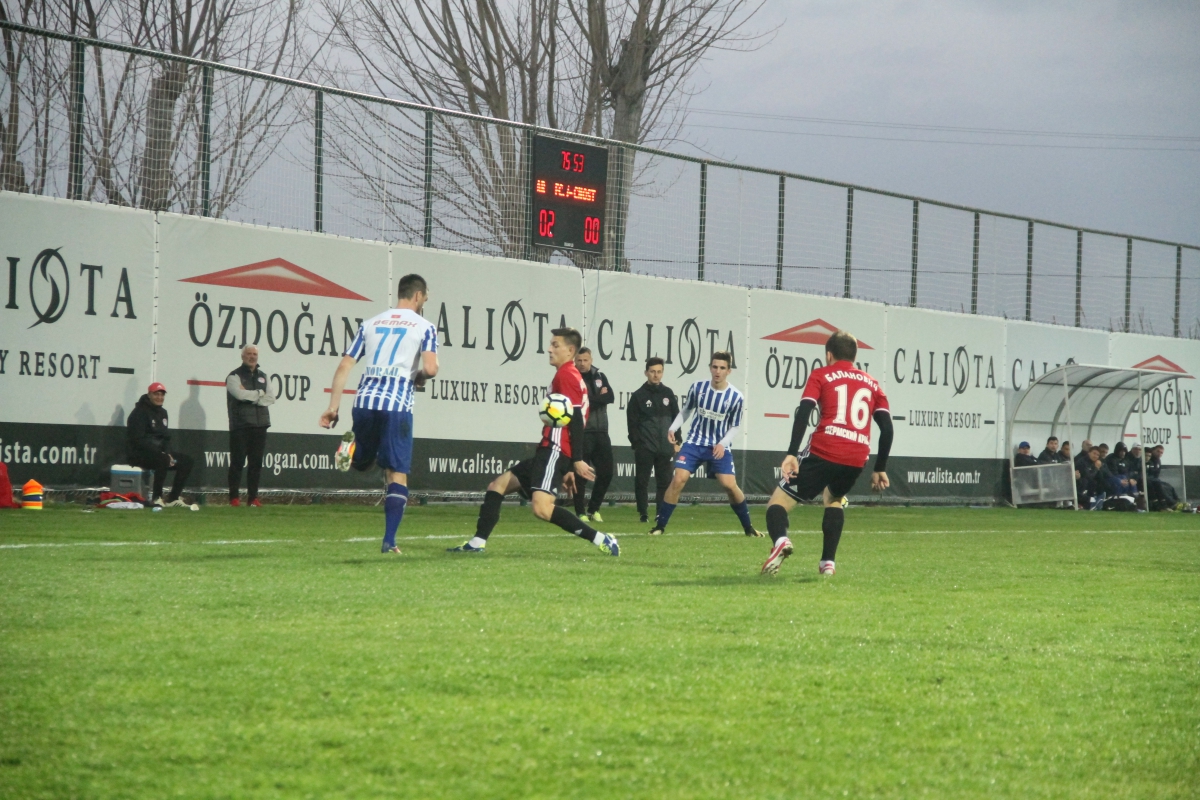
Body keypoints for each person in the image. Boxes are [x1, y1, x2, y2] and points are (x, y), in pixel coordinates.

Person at [449, 328, 620, 557]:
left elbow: (577, 419)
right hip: (551, 449)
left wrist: (576, 460)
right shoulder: (568, 375)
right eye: (550, 344)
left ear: (570, 350)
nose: (549, 349)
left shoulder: (566, 375)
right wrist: (570, 464)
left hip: (555, 450)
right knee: (497, 486)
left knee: (542, 508)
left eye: (555, 345)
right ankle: (477, 542)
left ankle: (601, 539)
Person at [320, 274, 439, 554]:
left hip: (365, 401)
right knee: (396, 473)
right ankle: (389, 541)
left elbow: (344, 366)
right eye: (425, 297)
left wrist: (333, 407)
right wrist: (419, 376)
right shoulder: (425, 327)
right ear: (418, 295)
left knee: (362, 463)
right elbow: (431, 369)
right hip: (397, 406)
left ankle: (350, 449)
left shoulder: (370, 323)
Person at [760, 331, 892, 577]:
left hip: (824, 450)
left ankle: (781, 541)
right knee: (833, 499)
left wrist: (791, 453)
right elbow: (887, 428)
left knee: (777, 503)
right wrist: (880, 467)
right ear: (854, 356)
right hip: (856, 458)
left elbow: (804, 411)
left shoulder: (821, 374)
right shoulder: (873, 384)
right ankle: (827, 563)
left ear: (829, 355)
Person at [650, 351, 760, 538]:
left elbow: (735, 426)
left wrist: (722, 444)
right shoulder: (698, 387)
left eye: (722, 368)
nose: (718, 371)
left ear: (729, 371)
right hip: (695, 442)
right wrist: (673, 427)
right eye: (715, 367)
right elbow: (686, 410)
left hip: (718, 446)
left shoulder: (736, 396)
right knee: (678, 479)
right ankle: (660, 526)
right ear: (710, 368)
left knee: (729, 485)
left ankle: (748, 528)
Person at [627, 357, 680, 523]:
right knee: (642, 481)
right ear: (646, 373)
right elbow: (632, 423)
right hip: (645, 447)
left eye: (659, 372)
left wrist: (677, 441)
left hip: (665, 446)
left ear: (662, 373)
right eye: (652, 372)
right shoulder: (638, 396)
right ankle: (643, 513)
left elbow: (676, 418)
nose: (656, 375)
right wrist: (637, 443)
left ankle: (660, 513)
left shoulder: (668, 393)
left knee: (664, 482)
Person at [126, 382, 195, 508]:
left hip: (159, 454)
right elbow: (138, 440)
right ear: (149, 395)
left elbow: (165, 438)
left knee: (186, 461)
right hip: (139, 455)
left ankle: (173, 498)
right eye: (156, 394)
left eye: (162, 395)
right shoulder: (139, 413)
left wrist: (168, 453)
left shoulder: (163, 413)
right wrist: (162, 453)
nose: (159, 397)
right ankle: (157, 498)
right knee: (162, 459)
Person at [226, 344, 275, 507]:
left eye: (254, 354)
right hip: (240, 425)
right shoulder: (234, 376)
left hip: (260, 425)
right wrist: (259, 394)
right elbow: (239, 395)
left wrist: (251, 396)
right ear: (242, 356)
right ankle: (234, 498)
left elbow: (271, 398)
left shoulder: (263, 376)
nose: (252, 357)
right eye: (249, 354)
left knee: (256, 464)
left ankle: (253, 498)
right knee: (237, 462)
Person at [571, 347, 615, 523]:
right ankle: (580, 512)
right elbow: (578, 403)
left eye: (585, 360)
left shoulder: (600, 376)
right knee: (581, 474)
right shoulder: (573, 378)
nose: (582, 363)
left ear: (591, 360)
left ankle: (594, 508)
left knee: (607, 472)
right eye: (579, 360)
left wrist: (589, 399)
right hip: (582, 432)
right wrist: (598, 398)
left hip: (601, 431)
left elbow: (610, 397)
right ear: (575, 361)